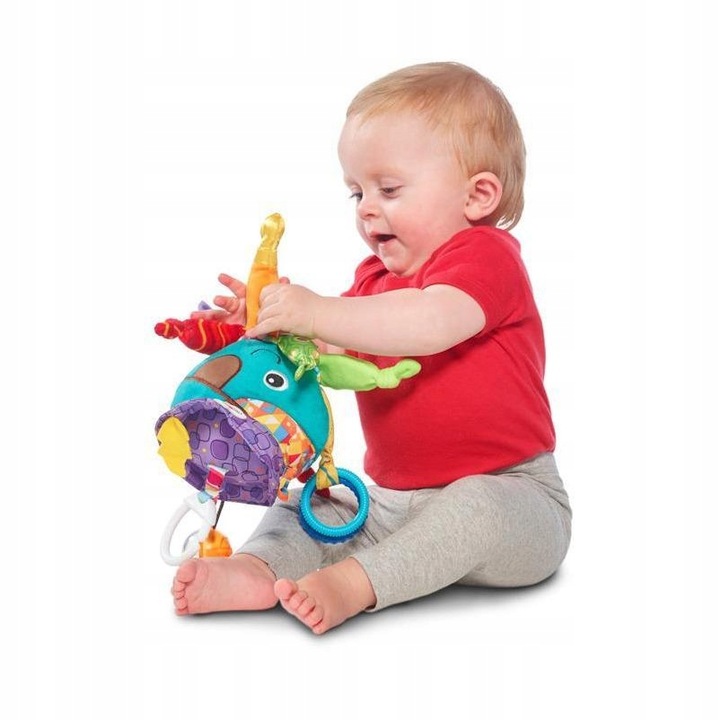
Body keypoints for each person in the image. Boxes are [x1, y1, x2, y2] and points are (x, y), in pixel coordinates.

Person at [171, 62, 572, 634]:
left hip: (517, 499)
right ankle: (257, 569)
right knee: (316, 503)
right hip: (394, 504)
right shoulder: (373, 282)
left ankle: (357, 583)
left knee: (476, 506)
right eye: (356, 191)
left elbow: (430, 322)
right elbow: (328, 343)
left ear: (478, 195)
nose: (364, 207)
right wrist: (269, 325)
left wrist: (317, 310)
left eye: (389, 189)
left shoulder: (487, 257)